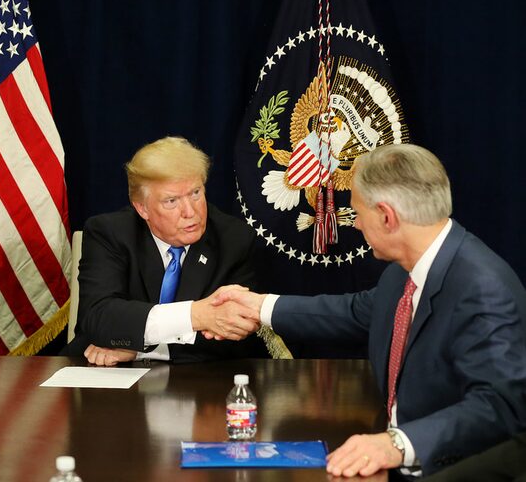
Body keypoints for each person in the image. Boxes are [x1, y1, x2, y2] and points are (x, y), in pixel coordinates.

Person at [208, 143, 526, 477]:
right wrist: (259, 306)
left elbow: (501, 406)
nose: (356, 224)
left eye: (358, 213)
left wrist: (396, 444)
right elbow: (355, 311)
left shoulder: (482, 289)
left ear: (387, 216)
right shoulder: (408, 268)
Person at [63, 136, 271, 365]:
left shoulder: (235, 239)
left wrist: (140, 348)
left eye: (195, 193)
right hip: (102, 374)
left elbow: (236, 336)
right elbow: (97, 317)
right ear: (142, 208)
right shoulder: (109, 233)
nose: (190, 211)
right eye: (171, 201)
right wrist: (197, 316)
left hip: (200, 384)